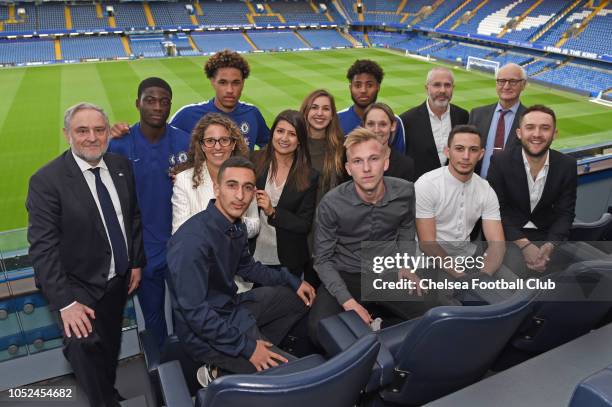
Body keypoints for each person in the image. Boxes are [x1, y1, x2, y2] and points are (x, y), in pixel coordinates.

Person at [27, 103, 145, 407]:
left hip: (117, 282)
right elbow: (43, 249)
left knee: (110, 348)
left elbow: (131, 217)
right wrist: (66, 303)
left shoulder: (120, 165)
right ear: (67, 134)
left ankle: (108, 392)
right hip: (77, 291)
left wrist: (134, 263)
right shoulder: (46, 181)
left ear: (107, 133)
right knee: (84, 352)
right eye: (82, 130)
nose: (92, 137)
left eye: (99, 129)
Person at [166, 156, 315, 384]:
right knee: (292, 380)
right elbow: (196, 314)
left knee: (296, 297)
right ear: (217, 188)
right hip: (204, 334)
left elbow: (248, 267)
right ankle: (229, 366)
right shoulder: (191, 242)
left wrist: (292, 280)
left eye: (247, 188)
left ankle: (239, 362)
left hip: (230, 309)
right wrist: (246, 347)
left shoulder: (236, 226)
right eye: (232, 185)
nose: (240, 196)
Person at [308, 128, 434, 345]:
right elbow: (322, 260)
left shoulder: (406, 192)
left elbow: (405, 230)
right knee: (318, 328)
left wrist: (405, 266)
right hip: (345, 274)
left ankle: (383, 331)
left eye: (373, 159)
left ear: (385, 162)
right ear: (348, 169)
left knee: (436, 313)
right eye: (357, 161)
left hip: (386, 271)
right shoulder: (331, 203)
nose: (366, 168)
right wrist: (348, 302)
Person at [107, 77, 190, 347]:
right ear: (137, 104)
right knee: (154, 315)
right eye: (150, 100)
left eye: (164, 101)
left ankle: (190, 364)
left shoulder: (185, 142)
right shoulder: (118, 145)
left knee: (186, 311)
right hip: (143, 251)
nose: (158, 107)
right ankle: (164, 369)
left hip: (181, 245)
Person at [415, 124, 508, 303]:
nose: (466, 156)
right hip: (430, 263)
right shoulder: (427, 184)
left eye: (473, 150)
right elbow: (427, 244)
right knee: (458, 308)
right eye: (459, 149)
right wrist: (462, 277)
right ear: (447, 152)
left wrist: (484, 276)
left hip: (468, 259)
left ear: (481, 154)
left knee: (516, 292)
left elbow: (498, 245)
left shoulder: (485, 189)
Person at [487, 105, 577, 277]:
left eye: (545, 128)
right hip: (510, 236)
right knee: (513, 279)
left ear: (554, 134)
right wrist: (525, 245)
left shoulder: (567, 165)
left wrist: (550, 245)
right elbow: (496, 211)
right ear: (519, 133)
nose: (537, 134)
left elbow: (565, 213)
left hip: (547, 236)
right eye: (530, 127)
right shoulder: (500, 161)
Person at [252, 110, 319, 278]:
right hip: (251, 257)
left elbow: (304, 224)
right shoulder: (252, 160)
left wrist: (272, 212)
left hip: (287, 262)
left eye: (292, 134)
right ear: (272, 133)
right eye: (280, 131)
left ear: (300, 142)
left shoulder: (309, 176)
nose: (284, 138)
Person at [171, 112, 256, 235]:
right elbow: (179, 232)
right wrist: (226, 221)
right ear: (202, 146)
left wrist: (233, 222)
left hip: (238, 253)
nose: (217, 147)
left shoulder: (246, 175)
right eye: (210, 141)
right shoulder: (183, 180)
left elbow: (255, 224)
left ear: (233, 144)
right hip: (200, 254)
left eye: (224, 140)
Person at [170, 49, 269, 149]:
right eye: (223, 83)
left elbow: (269, 146)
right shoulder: (187, 115)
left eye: (235, 83)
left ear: (243, 83)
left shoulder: (252, 114)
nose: (230, 90)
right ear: (213, 82)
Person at [399, 67, 469, 179]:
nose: (442, 90)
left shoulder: (463, 116)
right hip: (419, 190)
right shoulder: (406, 120)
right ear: (427, 88)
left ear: (453, 88)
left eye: (447, 85)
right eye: (437, 85)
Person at [468, 63, 527, 177]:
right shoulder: (477, 114)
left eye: (513, 81)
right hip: (476, 185)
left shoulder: (530, 119)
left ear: (523, 85)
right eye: (501, 81)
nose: (506, 86)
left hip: (509, 190)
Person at [338, 59, 405, 153]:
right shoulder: (336, 119)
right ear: (350, 88)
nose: (363, 90)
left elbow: (399, 161)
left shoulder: (394, 120)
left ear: (378, 87)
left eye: (369, 85)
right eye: (357, 85)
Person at [299, 89, 346, 204]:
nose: (320, 113)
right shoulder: (293, 145)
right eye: (314, 107)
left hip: (329, 217)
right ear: (305, 112)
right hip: (296, 218)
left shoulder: (343, 148)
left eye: (326, 109)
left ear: (332, 115)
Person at [363, 102, 415, 182]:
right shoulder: (351, 160)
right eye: (371, 124)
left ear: (393, 126)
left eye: (383, 124)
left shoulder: (405, 165)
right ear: (364, 126)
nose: (376, 130)